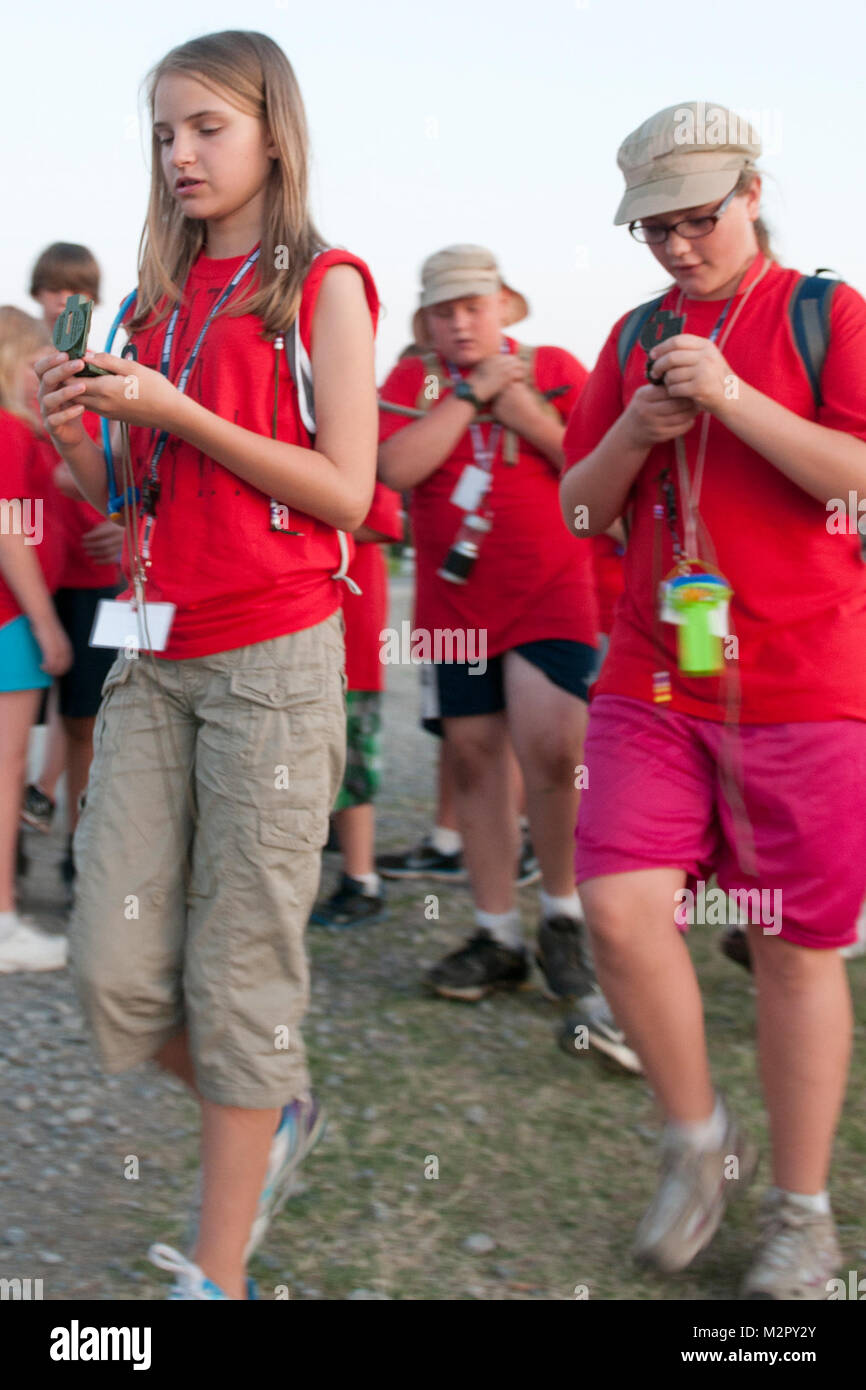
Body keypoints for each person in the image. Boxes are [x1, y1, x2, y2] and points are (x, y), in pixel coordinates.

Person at [36, 29, 378, 1300]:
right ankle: (273, 1109)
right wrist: (76, 435)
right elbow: (127, 508)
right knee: (113, 972)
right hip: (150, 659)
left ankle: (216, 1274)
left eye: (207, 128)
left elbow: (346, 493)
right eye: (164, 132)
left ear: (272, 134)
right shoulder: (147, 303)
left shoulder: (323, 283)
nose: (180, 153)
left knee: (239, 978)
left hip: (273, 669)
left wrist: (177, 411)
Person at [561, 102, 866, 1298]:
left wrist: (736, 399)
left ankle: (801, 1212)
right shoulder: (630, 334)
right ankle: (698, 1141)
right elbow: (581, 510)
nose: (678, 246)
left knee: (794, 954)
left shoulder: (823, 314)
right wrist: (636, 427)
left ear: (750, 189)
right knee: (618, 907)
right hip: (653, 673)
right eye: (655, 228)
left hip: (802, 681)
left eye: (698, 218)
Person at [378, 245, 639, 1074]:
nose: (462, 322)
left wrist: (524, 413)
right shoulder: (411, 382)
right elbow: (395, 470)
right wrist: (466, 395)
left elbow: (601, 468)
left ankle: (562, 916)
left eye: (475, 306)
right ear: (426, 323)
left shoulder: (556, 366)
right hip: (456, 603)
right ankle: (497, 933)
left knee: (556, 747)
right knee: (475, 755)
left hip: (553, 588)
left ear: (504, 308)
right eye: (445, 311)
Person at [23, 243, 124, 897]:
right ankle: (16, 841)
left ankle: (77, 848)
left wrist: (131, 519)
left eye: (79, 291)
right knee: (21, 719)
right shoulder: (18, 364)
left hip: (94, 576)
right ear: (38, 295)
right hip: (29, 573)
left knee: (89, 720)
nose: (65, 303)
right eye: (55, 291)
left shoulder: (109, 365)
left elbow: (130, 458)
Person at [0, 307, 71, 972]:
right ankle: (3, 924)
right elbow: (9, 532)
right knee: (5, 775)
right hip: (8, 624)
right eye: (34, 361)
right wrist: (46, 623)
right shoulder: (6, 434)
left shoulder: (22, 436)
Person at [310, 481, 403, 927]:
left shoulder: (363, 436)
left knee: (350, 759)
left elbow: (377, 519)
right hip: (292, 627)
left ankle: (360, 878)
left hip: (349, 627)